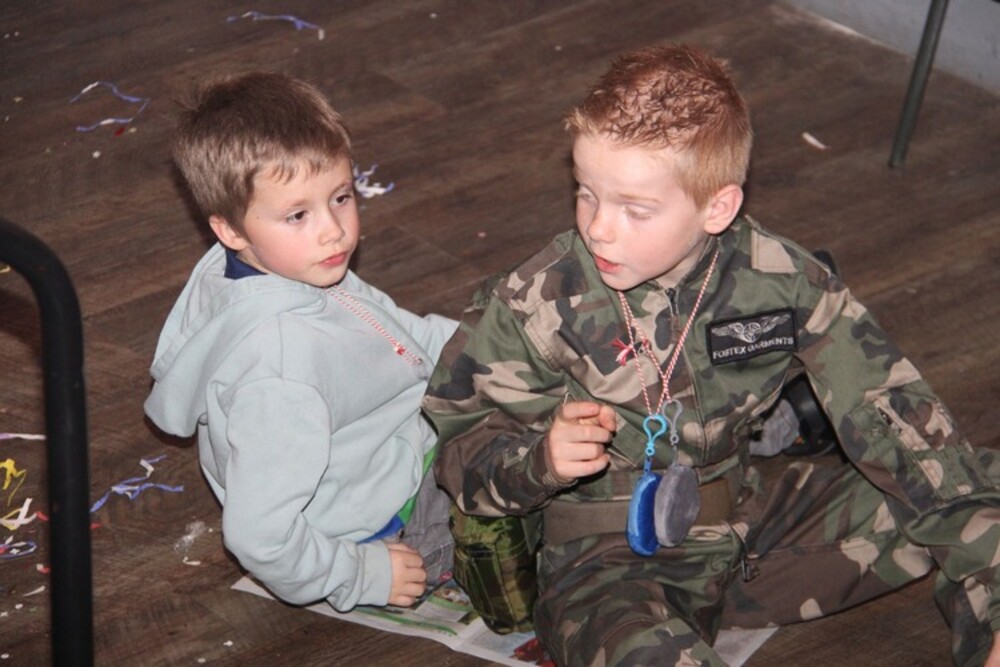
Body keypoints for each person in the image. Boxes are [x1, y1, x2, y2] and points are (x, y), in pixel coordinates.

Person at [422, 44, 1000, 666]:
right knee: (639, 650)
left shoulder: (782, 283)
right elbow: (459, 458)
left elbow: (900, 423)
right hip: (607, 569)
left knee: (971, 483)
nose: (599, 228)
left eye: (635, 209)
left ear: (717, 207)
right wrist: (542, 461)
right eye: (587, 193)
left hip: (752, 534)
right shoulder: (534, 302)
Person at [144, 72, 456, 612]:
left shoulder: (290, 267)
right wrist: (361, 575)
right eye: (298, 215)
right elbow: (259, 537)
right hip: (386, 521)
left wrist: (486, 343)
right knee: (550, 506)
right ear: (231, 231)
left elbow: (392, 332)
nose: (332, 229)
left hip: (391, 450)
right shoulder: (281, 371)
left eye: (341, 197)